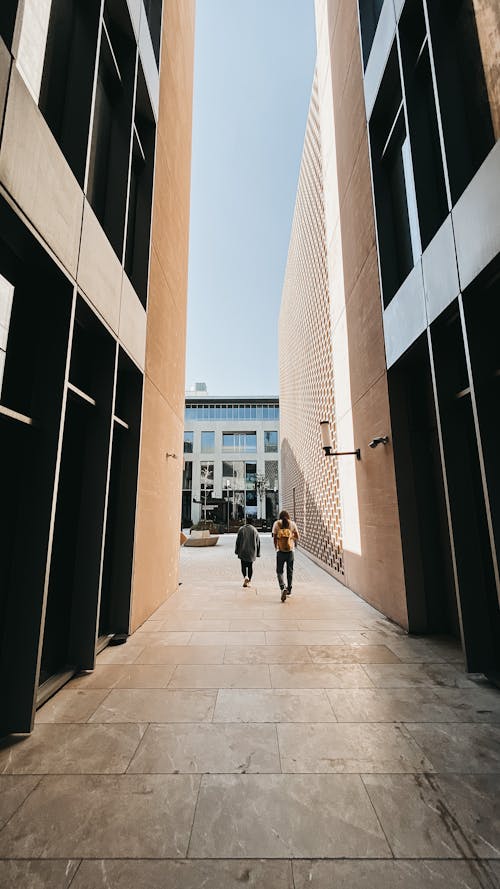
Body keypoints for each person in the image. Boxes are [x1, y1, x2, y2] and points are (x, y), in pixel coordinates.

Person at [272, 510, 299, 602]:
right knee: (290, 571)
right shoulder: (292, 524)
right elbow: (298, 537)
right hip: (290, 551)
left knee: (279, 571)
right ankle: (289, 590)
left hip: (280, 551)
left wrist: (276, 547)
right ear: (288, 516)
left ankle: (282, 587)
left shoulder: (276, 524)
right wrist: (291, 538)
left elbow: (275, 537)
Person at [235, 515, 261, 587]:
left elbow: (238, 541)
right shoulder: (254, 530)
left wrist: (236, 550)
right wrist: (258, 553)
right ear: (252, 523)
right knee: (250, 566)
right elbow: (258, 542)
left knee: (243, 565)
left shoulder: (241, 529)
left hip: (242, 551)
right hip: (251, 552)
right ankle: (249, 580)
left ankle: (245, 577)